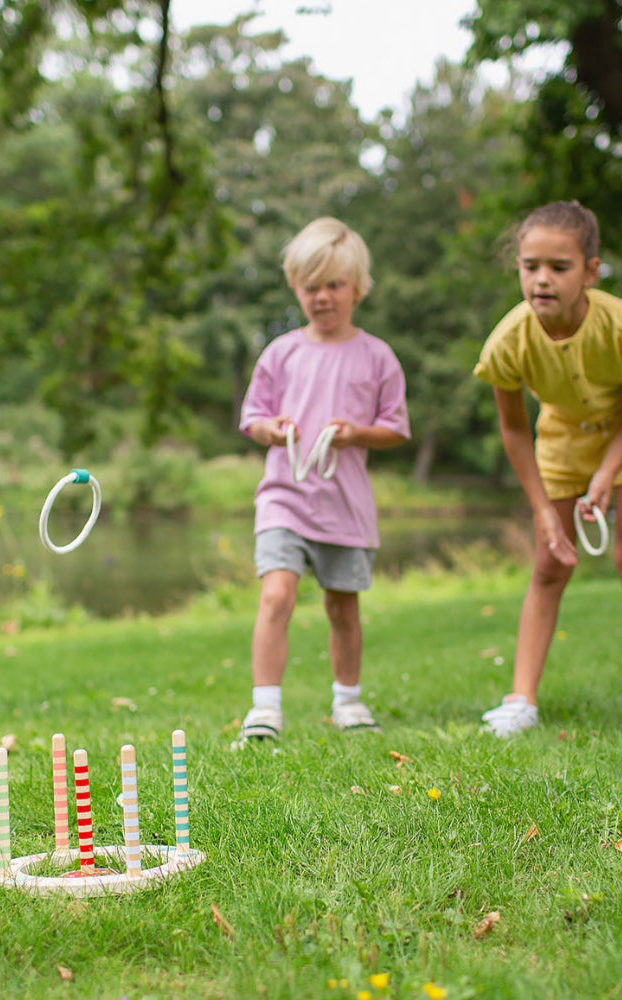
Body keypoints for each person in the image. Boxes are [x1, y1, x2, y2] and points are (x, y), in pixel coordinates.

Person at [474, 200, 622, 739]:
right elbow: (514, 429)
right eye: (530, 266)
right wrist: (543, 510)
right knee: (550, 563)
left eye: (558, 267)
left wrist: (607, 474)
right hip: (562, 438)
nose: (542, 279)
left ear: (590, 271)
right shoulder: (508, 342)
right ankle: (521, 700)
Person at [236, 217, 410, 741]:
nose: (323, 297)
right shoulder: (281, 352)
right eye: (311, 286)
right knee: (276, 596)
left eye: (334, 285)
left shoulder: (377, 356)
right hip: (284, 500)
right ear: (296, 287)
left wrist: (356, 433)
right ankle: (265, 708)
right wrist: (271, 429)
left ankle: (348, 701)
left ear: (358, 288)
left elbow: (396, 428)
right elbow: (253, 418)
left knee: (342, 607)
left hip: (344, 506)